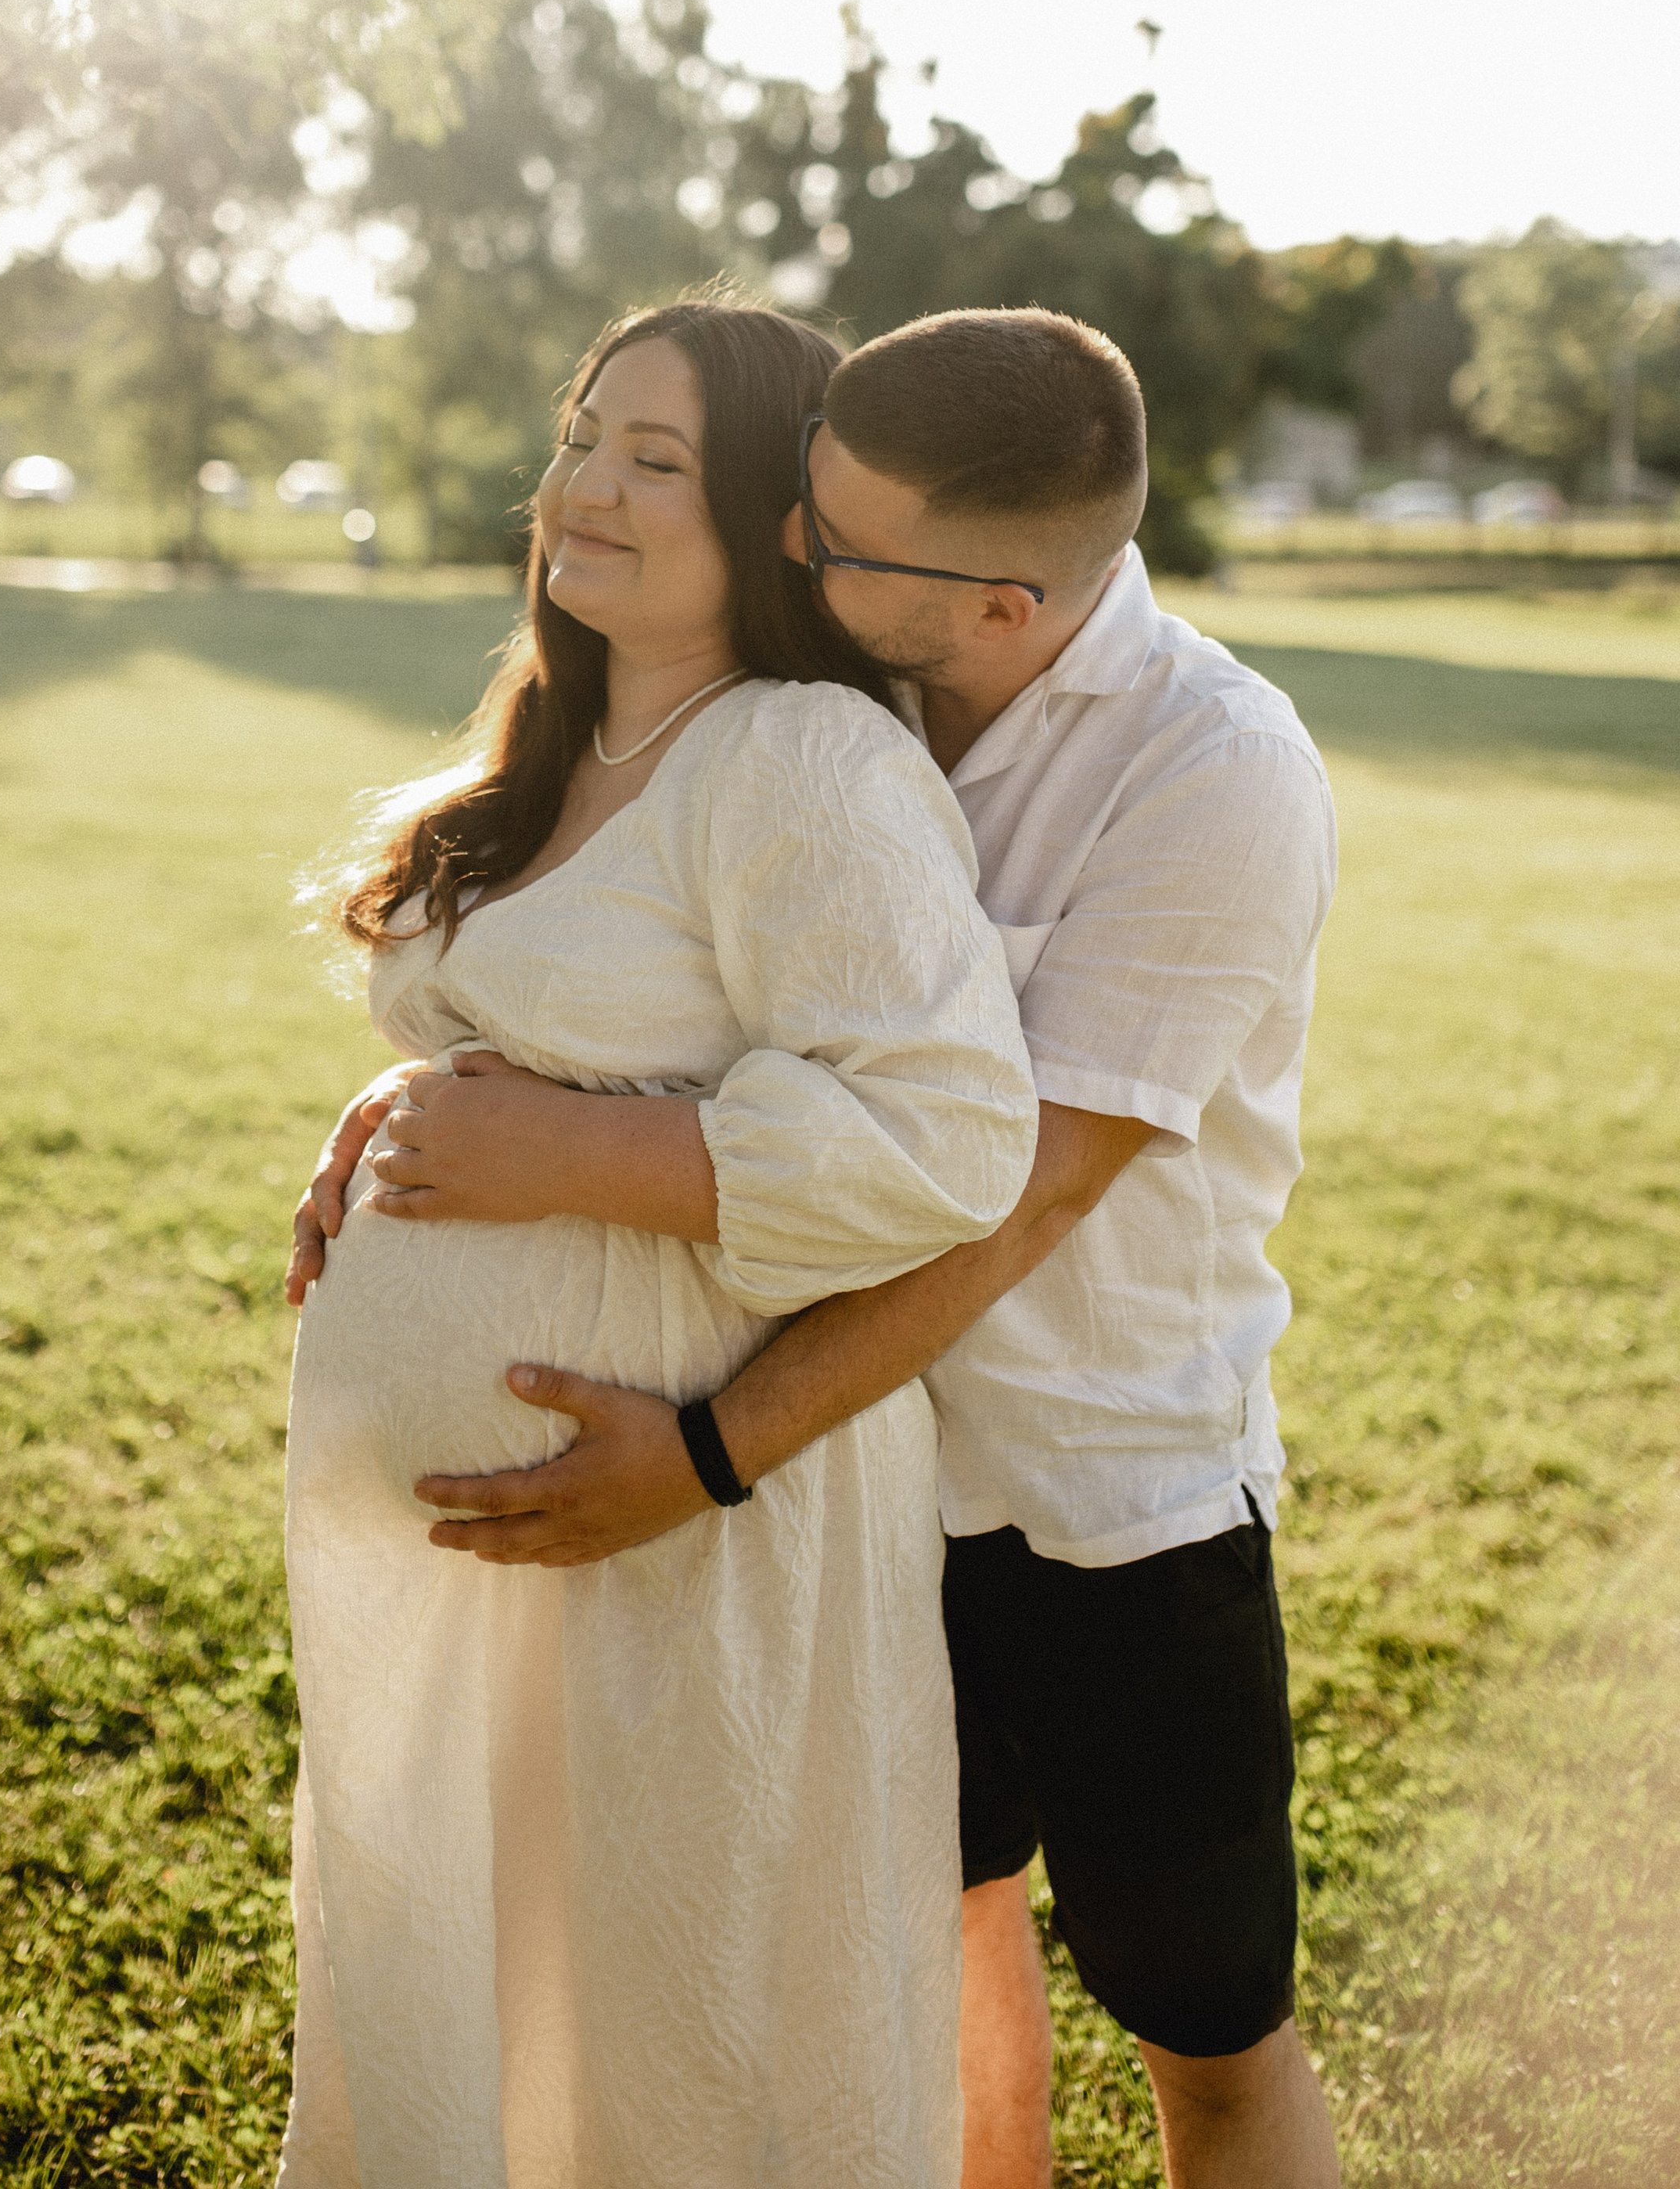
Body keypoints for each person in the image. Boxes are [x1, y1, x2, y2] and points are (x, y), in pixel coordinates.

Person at [297, 308, 1344, 2189]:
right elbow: (672, 996)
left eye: (835, 542)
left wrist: (703, 1454)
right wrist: (412, 1110)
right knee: (923, 1950)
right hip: (857, 1493)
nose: (798, 548)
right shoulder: (852, 693)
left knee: (1203, 2014)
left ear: (1003, 605)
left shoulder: (1212, 772)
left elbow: (1012, 1188)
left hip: (1095, 1488)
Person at [276, 299, 1040, 2189]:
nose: (586, 485)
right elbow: (548, 1016)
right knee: (489, 1992)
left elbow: (949, 1140)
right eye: (581, 433)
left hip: (695, 1541)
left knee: (675, 2035)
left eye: (657, 458)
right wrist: (401, 1114)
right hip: (485, 1575)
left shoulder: (799, 756)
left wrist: (556, 1143)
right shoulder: (559, 738)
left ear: (781, 519)